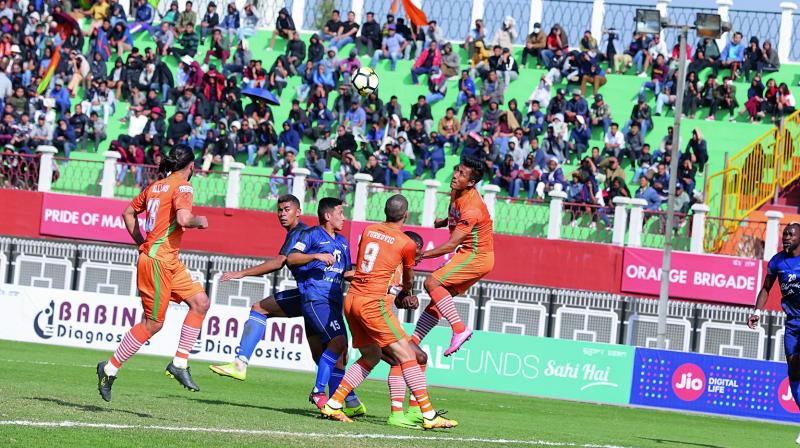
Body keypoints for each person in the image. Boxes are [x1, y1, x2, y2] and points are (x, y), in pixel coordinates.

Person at [207, 195, 363, 410]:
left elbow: (280, 261)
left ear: (298, 211)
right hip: (311, 295)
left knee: (260, 308)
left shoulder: (302, 233)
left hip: (313, 296)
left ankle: (240, 363)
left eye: (286, 209)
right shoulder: (306, 234)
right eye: (279, 210)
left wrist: (241, 273)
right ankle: (347, 398)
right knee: (323, 353)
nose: (282, 214)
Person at [320, 194, 458, 430]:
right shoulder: (406, 243)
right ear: (405, 215)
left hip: (352, 299)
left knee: (371, 357)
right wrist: (407, 292)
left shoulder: (369, 231)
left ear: (385, 210)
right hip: (373, 303)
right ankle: (428, 414)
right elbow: (408, 276)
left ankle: (334, 403)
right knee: (408, 356)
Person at [96, 146, 210, 402]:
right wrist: (198, 220)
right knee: (154, 323)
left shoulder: (155, 186)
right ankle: (109, 369)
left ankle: (179, 363)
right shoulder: (183, 186)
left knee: (200, 302)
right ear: (191, 167)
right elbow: (183, 219)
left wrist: (141, 242)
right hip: (158, 261)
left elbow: (127, 213)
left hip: (169, 260)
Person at [286, 198, 364, 414]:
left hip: (334, 302)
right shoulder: (311, 235)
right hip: (315, 298)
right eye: (340, 212)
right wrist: (316, 256)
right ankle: (320, 392)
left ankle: (339, 401)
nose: (344, 217)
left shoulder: (343, 242)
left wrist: (367, 277)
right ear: (328, 216)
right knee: (338, 342)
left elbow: (346, 272)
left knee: (342, 352)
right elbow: (291, 258)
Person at [411, 159, 494, 355]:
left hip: (476, 256)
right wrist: (442, 222)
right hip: (474, 256)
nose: (455, 175)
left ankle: (459, 329)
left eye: (462, 174)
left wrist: (421, 256)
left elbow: (451, 245)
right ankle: (413, 340)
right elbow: (456, 216)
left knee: (431, 283)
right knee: (439, 300)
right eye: (457, 170)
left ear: (471, 183)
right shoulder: (458, 191)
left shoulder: (472, 207)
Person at [748, 223, 800, 446]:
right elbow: (766, 288)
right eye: (784, 234)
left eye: (791, 234)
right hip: (792, 324)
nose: (786, 237)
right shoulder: (777, 261)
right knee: (794, 373)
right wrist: (757, 311)